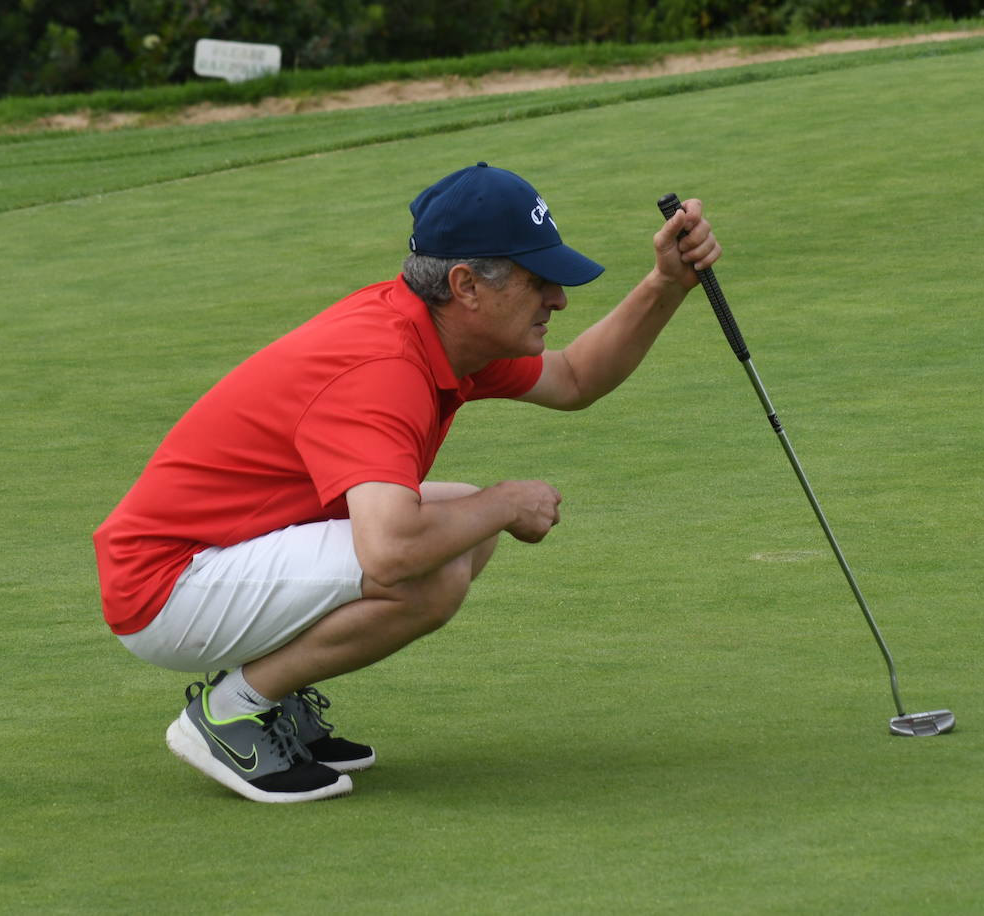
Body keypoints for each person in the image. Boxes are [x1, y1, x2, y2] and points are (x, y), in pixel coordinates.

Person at [93, 162, 721, 803]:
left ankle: (265, 701)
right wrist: (505, 501)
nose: (558, 299)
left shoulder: (440, 330)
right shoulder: (384, 364)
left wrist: (667, 283)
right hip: (167, 589)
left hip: (219, 558)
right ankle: (233, 710)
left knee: (455, 524)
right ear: (466, 284)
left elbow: (577, 379)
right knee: (431, 563)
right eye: (540, 282)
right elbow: (390, 551)